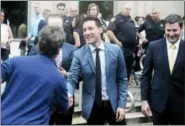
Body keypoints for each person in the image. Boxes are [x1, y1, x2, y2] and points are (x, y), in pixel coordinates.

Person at [1, 25, 69, 124]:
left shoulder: (15, 62)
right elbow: (63, 107)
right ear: (59, 50)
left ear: (38, 44)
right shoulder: (58, 78)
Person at [67, 16, 128, 125]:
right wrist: (69, 93)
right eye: (84, 30)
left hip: (113, 104)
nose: (86, 32)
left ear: (100, 30)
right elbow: (72, 79)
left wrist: (121, 105)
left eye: (90, 28)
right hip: (92, 106)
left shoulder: (115, 50)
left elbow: (122, 79)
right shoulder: (79, 54)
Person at [29, 14, 76, 125]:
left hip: (65, 98)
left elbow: (78, 74)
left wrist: (67, 74)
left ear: (63, 28)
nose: (54, 31)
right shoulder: (35, 49)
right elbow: (29, 72)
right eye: (51, 27)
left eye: (58, 27)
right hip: (42, 99)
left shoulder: (71, 49)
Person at [140, 14, 185, 125]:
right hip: (158, 103)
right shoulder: (154, 46)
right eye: (168, 30)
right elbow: (146, 75)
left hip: (181, 104)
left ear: (181, 28)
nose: (171, 34)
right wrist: (144, 100)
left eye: (175, 30)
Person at [107, 3, 137, 80]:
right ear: (121, 9)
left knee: (128, 69)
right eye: (126, 9)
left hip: (130, 49)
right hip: (121, 48)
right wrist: (117, 42)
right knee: (119, 69)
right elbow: (109, 31)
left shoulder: (130, 19)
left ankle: (124, 87)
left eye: (129, 9)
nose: (128, 11)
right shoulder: (116, 19)